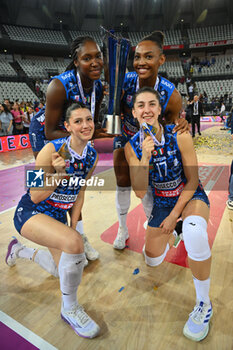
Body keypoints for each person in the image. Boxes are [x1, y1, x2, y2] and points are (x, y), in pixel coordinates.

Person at [125, 87, 212, 342]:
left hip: (189, 194)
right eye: (140, 105)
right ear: (134, 112)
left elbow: (194, 179)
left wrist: (175, 215)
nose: (147, 109)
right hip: (161, 202)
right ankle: (176, 230)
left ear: (159, 109)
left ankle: (204, 304)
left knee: (195, 231)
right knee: (152, 261)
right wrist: (144, 156)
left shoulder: (180, 134)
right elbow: (140, 193)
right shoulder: (131, 147)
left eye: (152, 104)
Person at [6, 103, 100, 338]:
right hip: (30, 212)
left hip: (57, 216)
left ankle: (19, 251)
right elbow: (36, 194)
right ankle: (69, 309)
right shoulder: (51, 149)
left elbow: (80, 192)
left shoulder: (92, 155)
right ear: (67, 126)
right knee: (74, 247)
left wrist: (74, 226)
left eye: (89, 119)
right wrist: (58, 175)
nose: (85, 125)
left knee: (64, 270)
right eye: (78, 121)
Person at [29, 36, 106, 263]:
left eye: (98, 56)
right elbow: (51, 131)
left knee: (74, 183)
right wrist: (83, 137)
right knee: (51, 185)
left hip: (73, 133)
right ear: (75, 61)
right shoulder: (58, 85)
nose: (95, 62)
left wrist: (98, 131)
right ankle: (47, 226)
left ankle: (78, 234)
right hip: (45, 133)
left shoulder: (98, 86)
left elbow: (92, 122)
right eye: (87, 58)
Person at [113, 31, 187, 249]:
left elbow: (172, 130)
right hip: (127, 135)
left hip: (152, 142)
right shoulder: (124, 82)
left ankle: (155, 222)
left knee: (148, 184)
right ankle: (122, 228)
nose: (141, 62)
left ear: (161, 59)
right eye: (137, 57)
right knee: (122, 178)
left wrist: (181, 125)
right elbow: (114, 112)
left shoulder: (171, 94)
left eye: (148, 56)